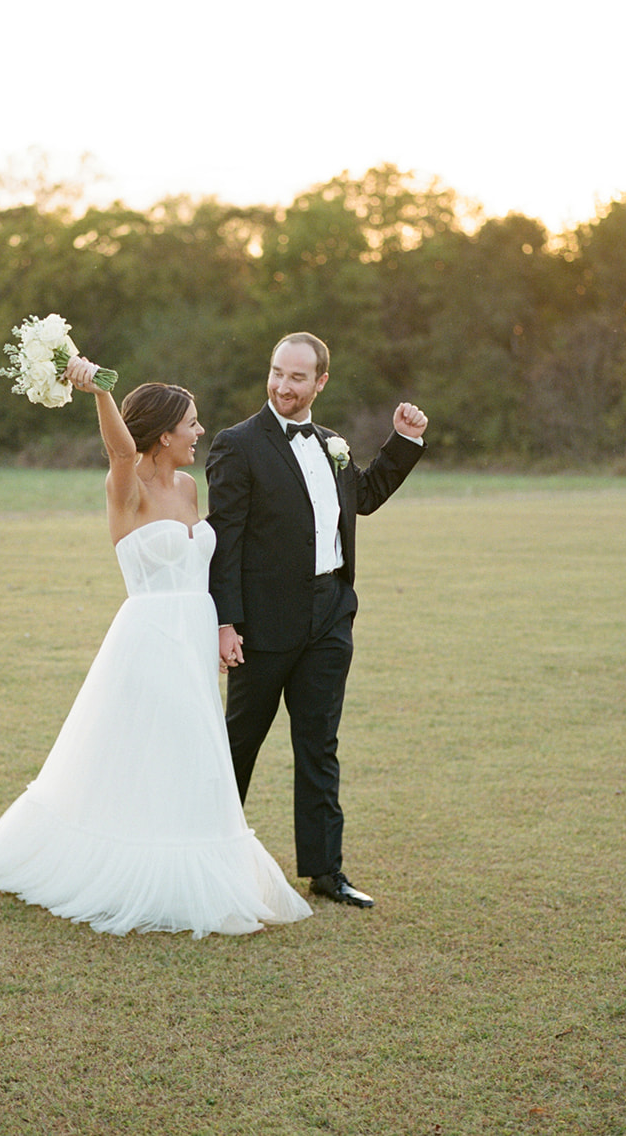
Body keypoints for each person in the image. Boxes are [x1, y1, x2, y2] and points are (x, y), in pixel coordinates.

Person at [0, 355, 312, 937]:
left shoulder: (188, 485)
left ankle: (190, 867)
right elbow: (121, 453)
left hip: (193, 638)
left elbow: (202, 564)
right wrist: (101, 389)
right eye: (192, 424)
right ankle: (140, 872)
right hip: (150, 641)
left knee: (192, 760)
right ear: (164, 434)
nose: (200, 432)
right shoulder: (123, 486)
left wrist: (225, 629)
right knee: (157, 753)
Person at [207, 331, 427, 909]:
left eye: (297, 377)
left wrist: (403, 440)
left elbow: (365, 496)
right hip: (261, 625)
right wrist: (225, 623)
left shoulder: (333, 443)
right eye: (278, 372)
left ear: (320, 382)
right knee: (238, 744)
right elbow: (224, 542)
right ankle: (205, 857)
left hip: (330, 615)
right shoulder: (238, 445)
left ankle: (326, 871)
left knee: (319, 745)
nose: (283, 384)